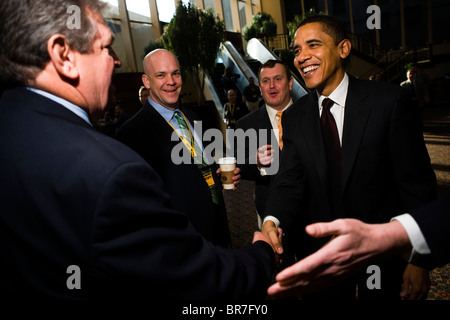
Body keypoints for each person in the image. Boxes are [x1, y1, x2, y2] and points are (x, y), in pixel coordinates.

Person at [0, 0, 277, 300]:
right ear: (63, 56)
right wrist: (261, 254)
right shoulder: (111, 164)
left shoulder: (13, 124)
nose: (117, 61)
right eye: (106, 47)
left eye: (176, 73)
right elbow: (186, 275)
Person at [262, 14, 437, 300]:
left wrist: (418, 259)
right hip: (324, 256)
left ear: (343, 49)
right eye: (296, 50)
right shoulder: (295, 116)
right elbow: (288, 180)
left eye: (313, 45)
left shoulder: (388, 102)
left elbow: (416, 185)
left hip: (382, 255)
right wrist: (271, 220)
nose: (302, 57)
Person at [118, 49, 238, 248]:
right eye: (161, 75)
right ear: (146, 82)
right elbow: (138, 204)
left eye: (175, 73)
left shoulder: (192, 117)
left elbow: (198, 166)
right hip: (180, 242)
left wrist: (218, 176)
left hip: (217, 229)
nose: (171, 81)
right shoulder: (132, 133)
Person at [267, 193, 450, 299]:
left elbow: (414, 181)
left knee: (376, 295)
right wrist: (271, 219)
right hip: (325, 246)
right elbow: (289, 176)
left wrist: (418, 255)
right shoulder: (300, 124)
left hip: (383, 250)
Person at [235, 59, 296, 270]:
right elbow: (241, 166)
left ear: (290, 83)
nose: (272, 86)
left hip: (309, 207)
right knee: (280, 267)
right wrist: (257, 162)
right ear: (260, 88)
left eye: (278, 79)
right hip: (268, 206)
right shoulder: (246, 124)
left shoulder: (311, 116)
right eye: (266, 81)